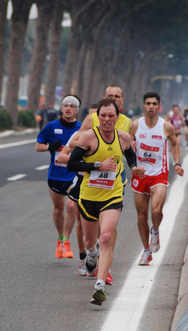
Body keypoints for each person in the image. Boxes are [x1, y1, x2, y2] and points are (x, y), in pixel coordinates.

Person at [67, 98, 145, 305]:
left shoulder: (124, 138)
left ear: (117, 117)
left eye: (111, 116)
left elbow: (129, 155)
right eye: (103, 116)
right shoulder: (88, 137)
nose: (107, 120)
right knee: (90, 242)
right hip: (89, 196)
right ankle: (91, 254)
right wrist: (98, 165)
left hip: (112, 194)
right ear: (97, 117)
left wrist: (135, 166)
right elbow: (72, 164)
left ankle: (100, 285)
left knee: (107, 237)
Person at [130, 92, 184, 266]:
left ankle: (155, 231)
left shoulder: (166, 127)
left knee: (156, 211)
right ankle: (146, 252)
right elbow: (127, 142)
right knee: (141, 216)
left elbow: (175, 144)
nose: (151, 107)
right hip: (140, 175)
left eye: (154, 104)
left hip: (159, 175)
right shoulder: (135, 125)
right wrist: (130, 145)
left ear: (159, 106)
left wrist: (177, 163)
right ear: (144, 106)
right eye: (148, 103)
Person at [35, 95, 82, 259]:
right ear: (61, 108)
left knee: (70, 207)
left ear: (77, 110)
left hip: (73, 175)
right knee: (58, 210)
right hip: (55, 175)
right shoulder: (51, 126)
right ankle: (60, 238)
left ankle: (66, 243)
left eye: (72, 106)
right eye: (65, 105)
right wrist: (49, 147)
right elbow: (37, 146)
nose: (68, 108)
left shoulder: (82, 129)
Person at [57, 103, 100, 277]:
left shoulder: (108, 135)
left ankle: (96, 253)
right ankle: (83, 256)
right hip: (81, 179)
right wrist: (83, 163)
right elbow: (61, 156)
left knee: (97, 221)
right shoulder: (79, 135)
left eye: (95, 117)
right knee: (80, 221)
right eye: (89, 117)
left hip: (101, 182)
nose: (92, 120)